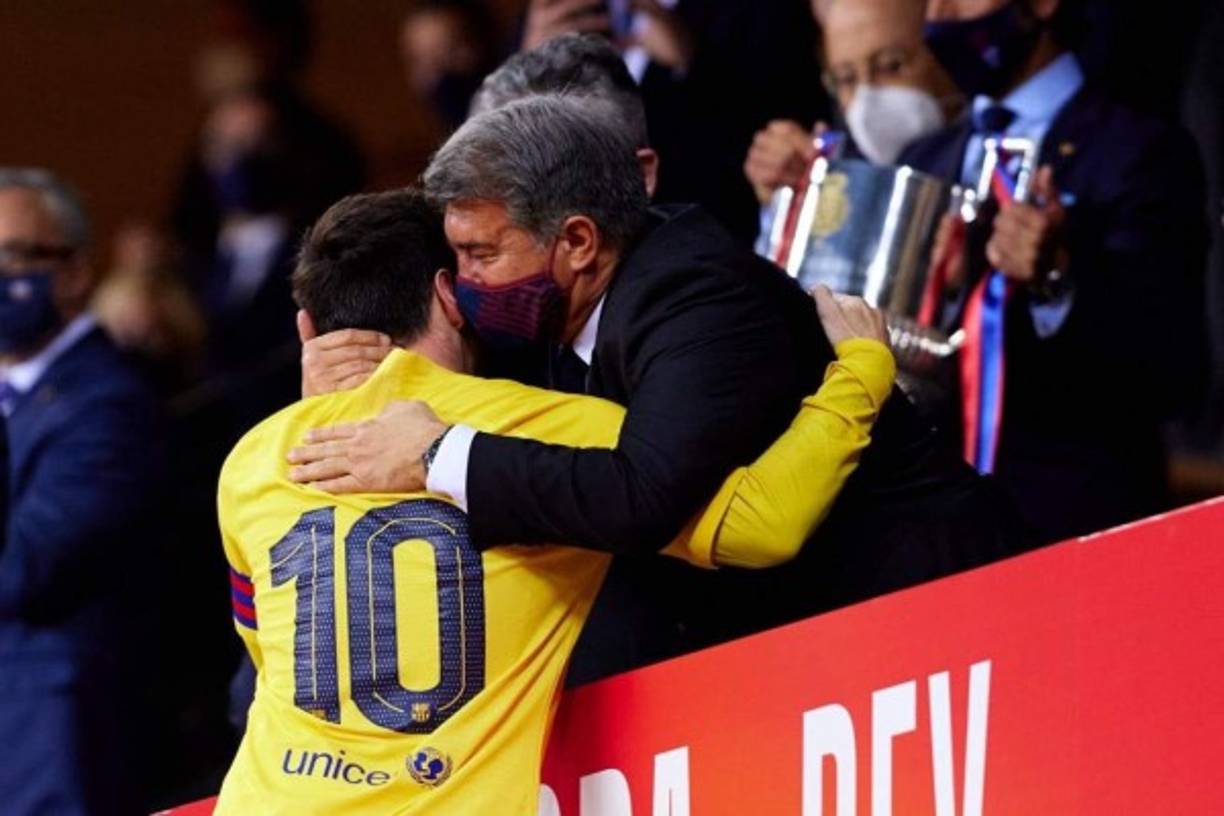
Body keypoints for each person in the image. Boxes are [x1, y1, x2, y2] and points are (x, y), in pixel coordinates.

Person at [289, 96, 1027, 681]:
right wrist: (345, 393)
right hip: (813, 632)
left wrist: (436, 454)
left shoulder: (696, 300)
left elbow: (641, 497)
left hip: (938, 608)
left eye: (481, 253)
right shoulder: (552, 304)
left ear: (578, 241)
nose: (467, 280)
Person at [214, 187, 895, 814]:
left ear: (307, 329)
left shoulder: (250, 462)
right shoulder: (551, 428)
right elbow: (764, 524)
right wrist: (861, 371)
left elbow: (271, 656)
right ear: (452, 296)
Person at [900, 0, 1208, 540]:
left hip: (1074, 529)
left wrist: (1057, 280)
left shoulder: (1139, 150)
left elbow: (1173, 371)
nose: (940, 12)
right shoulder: (922, 158)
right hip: (936, 530)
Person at [0, 169, 165, 815]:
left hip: (58, 733)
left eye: (14, 256)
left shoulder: (109, 401)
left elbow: (22, 567)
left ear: (72, 271)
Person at [744, 0, 962, 205]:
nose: (867, 95)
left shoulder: (978, 157)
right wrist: (785, 194)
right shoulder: (837, 163)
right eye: (846, 79)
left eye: (890, 66)